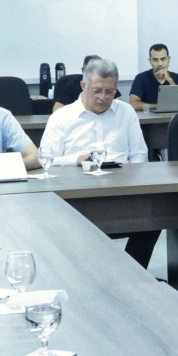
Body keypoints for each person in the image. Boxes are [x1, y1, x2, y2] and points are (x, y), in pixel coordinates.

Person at [40, 58, 158, 268]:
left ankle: (132, 271)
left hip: (123, 191)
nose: (103, 98)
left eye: (110, 92)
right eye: (97, 91)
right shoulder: (62, 117)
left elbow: (139, 155)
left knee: (158, 213)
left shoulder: (125, 112)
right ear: (83, 86)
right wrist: (75, 159)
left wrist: (132, 179)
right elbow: (45, 161)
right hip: (78, 196)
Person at [129, 43, 178, 111]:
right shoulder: (141, 78)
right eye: (155, 60)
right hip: (149, 117)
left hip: (174, 116)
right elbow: (133, 104)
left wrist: (170, 80)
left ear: (169, 59)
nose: (160, 64)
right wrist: (159, 106)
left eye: (163, 59)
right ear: (150, 61)